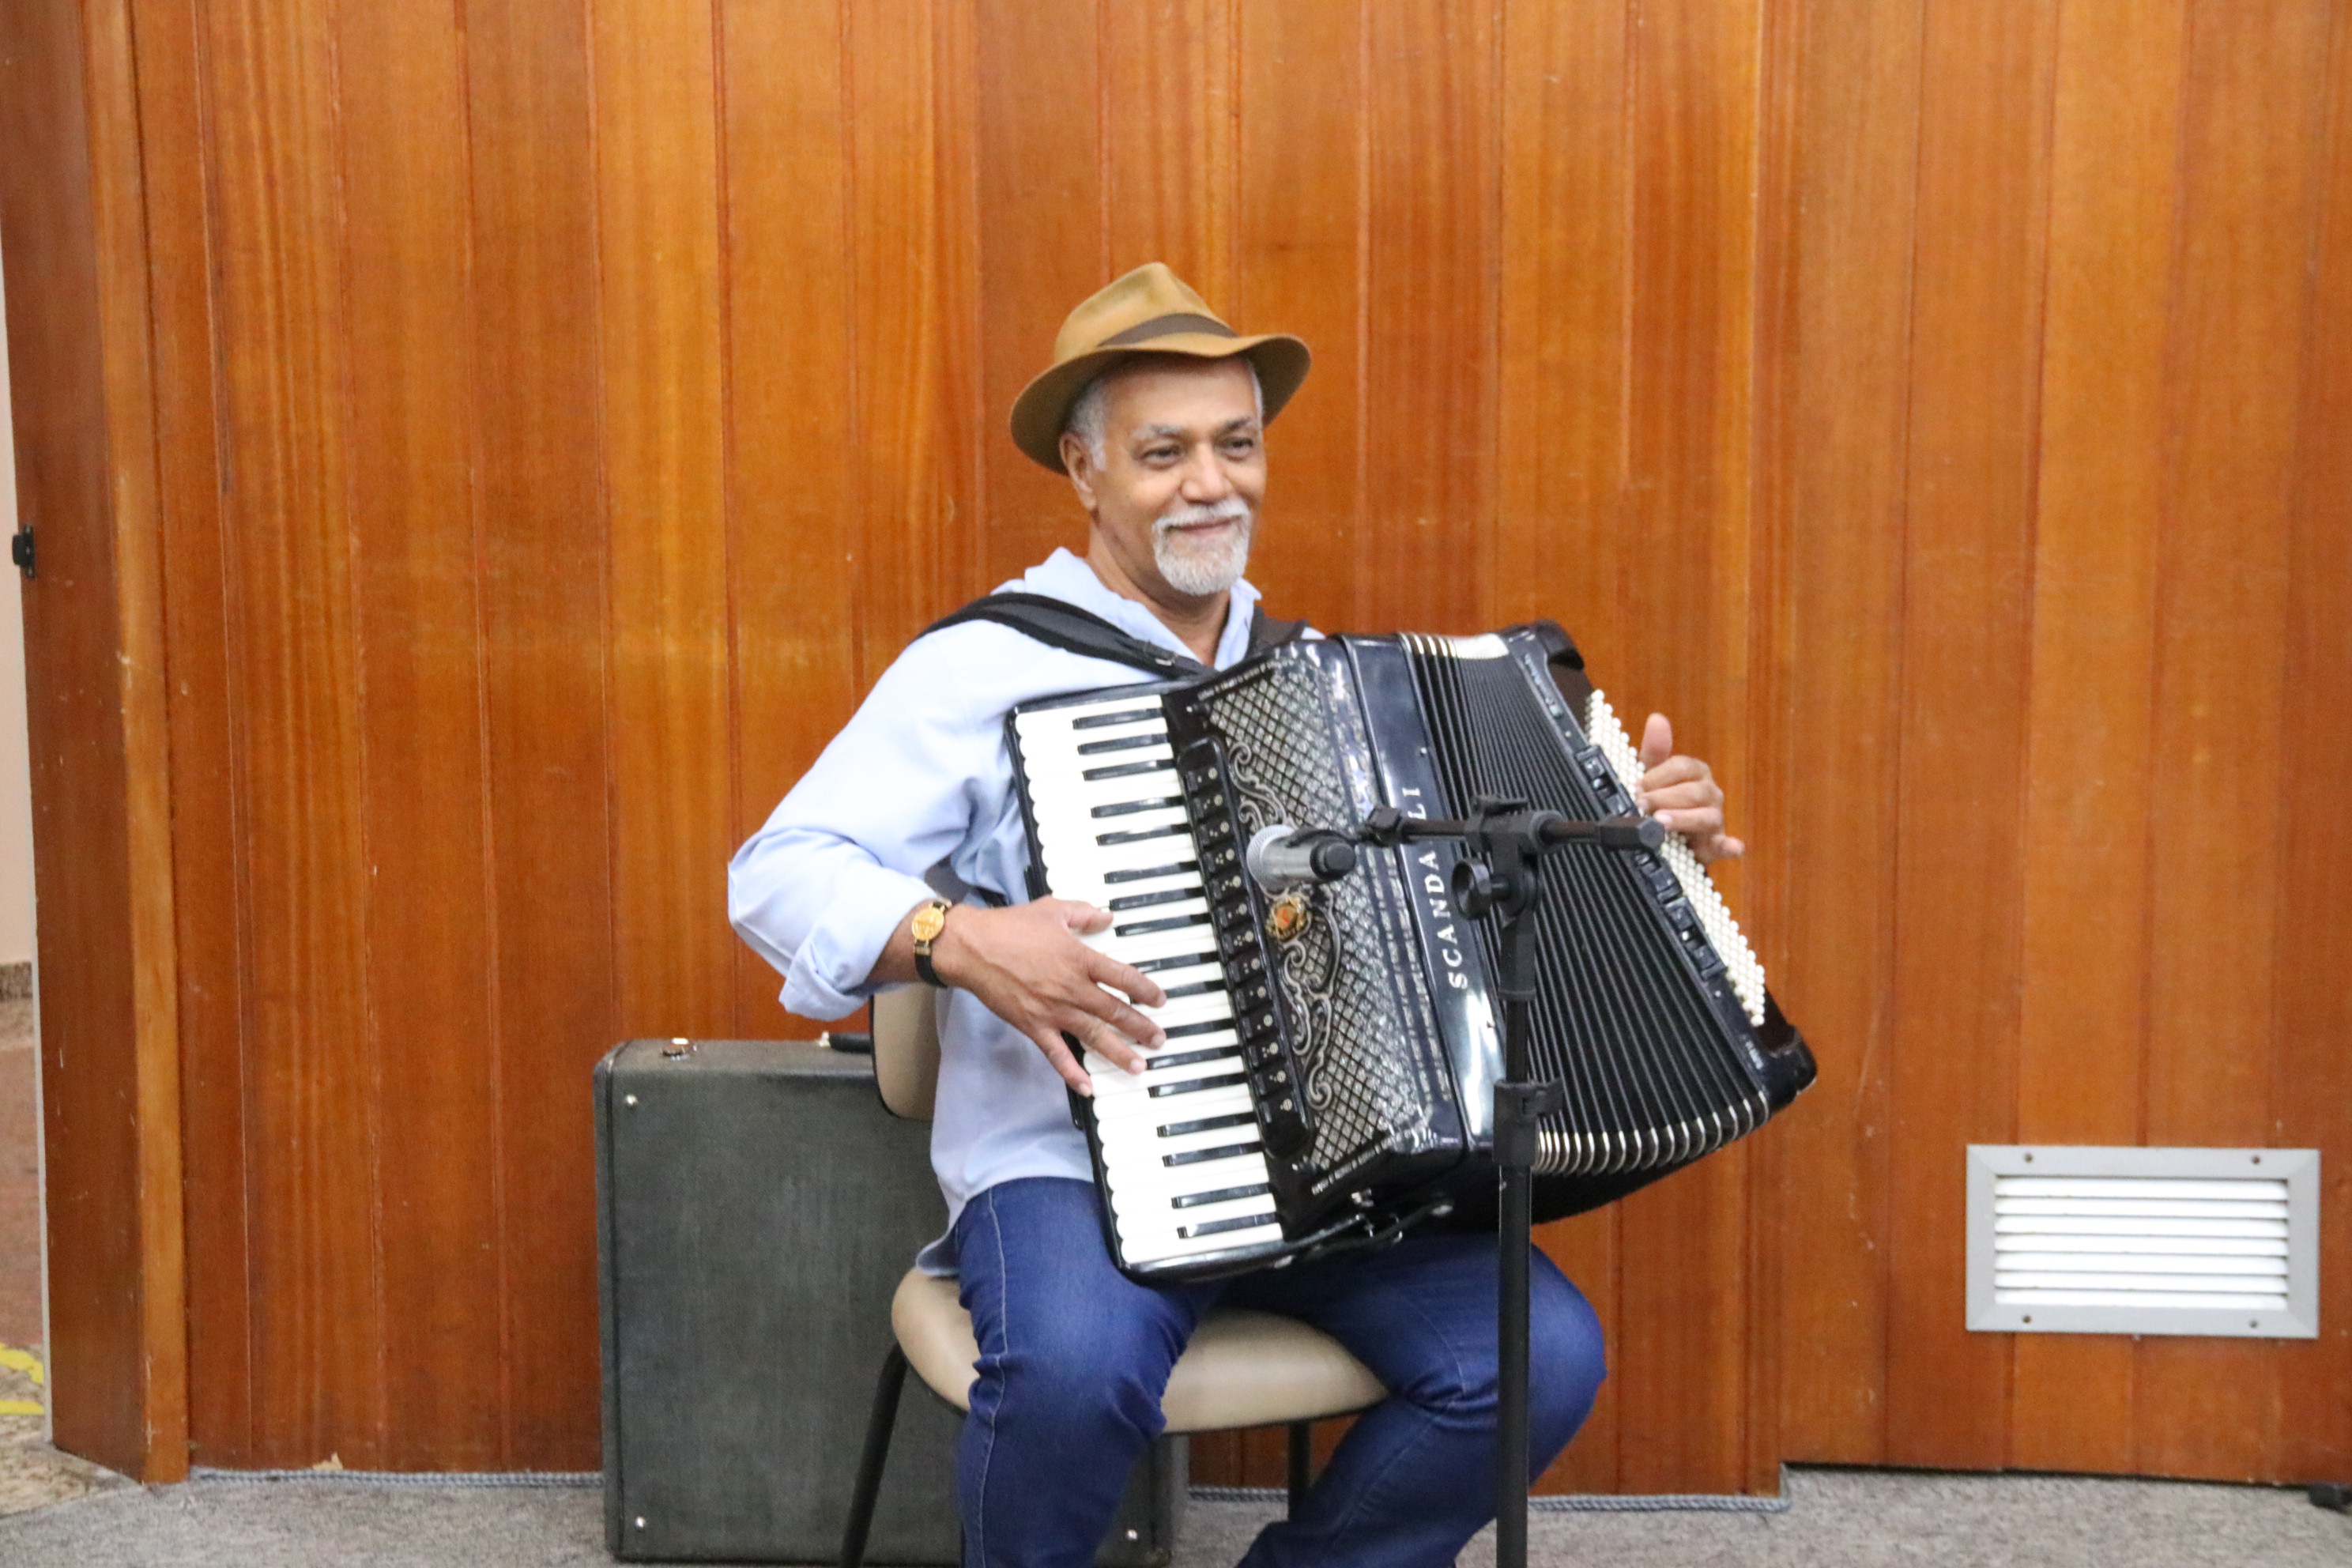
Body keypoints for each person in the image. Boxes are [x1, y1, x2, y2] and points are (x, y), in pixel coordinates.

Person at [729, 263, 1743, 1568]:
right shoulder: (982, 669)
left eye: (1238, 445)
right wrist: (958, 941)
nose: (1211, 483)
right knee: (1073, 1375)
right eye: (1165, 453)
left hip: (1331, 1173)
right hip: (1071, 1171)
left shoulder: (1329, 690)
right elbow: (778, 872)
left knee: (1540, 1357)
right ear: (1085, 471)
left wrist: (1630, 837)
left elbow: (1464, 916)